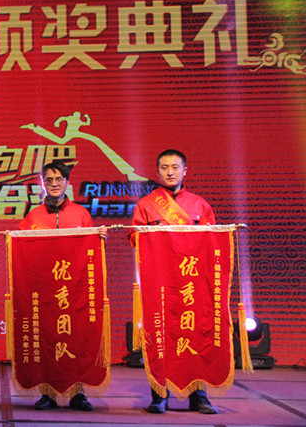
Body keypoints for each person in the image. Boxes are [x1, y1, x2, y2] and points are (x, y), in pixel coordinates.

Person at [130, 149, 218, 415]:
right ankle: (159, 395)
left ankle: (199, 395)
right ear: (157, 172)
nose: (170, 172)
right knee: (159, 336)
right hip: (160, 282)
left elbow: (213, 242)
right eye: (164, 167)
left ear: (184, 171)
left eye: (175, 167)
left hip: (192, 282)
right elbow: (135, 238)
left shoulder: (200, 205)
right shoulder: (146, 205)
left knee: (197, 335)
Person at [18, 161, 106, 412]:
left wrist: (99, 238)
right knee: (46, 338)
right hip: (44, 289)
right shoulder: (33, 217)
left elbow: (90, 251)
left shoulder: (81, 214)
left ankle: (78, 393)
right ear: (43, 183)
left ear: (67, 182)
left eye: (59, 179)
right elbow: (21, 247)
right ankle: (47, 393)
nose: (54, 184)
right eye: (49, 180)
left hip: (74, 290)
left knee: (77, 339)